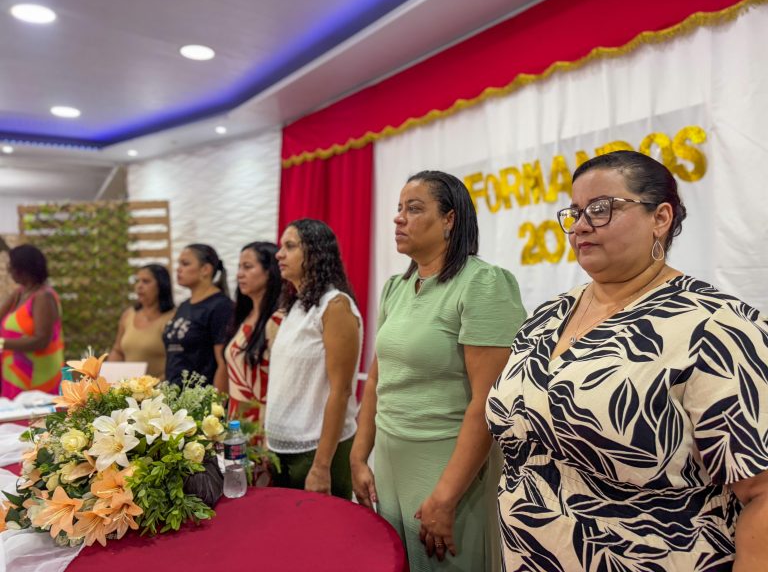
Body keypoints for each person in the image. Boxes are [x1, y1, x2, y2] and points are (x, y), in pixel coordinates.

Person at [486, 150, 768, 570]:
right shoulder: (548, 315)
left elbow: (762, 492)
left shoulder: (717, 325)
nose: (581, 225)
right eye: (575, 212)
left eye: (602, 209)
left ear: (661, 218)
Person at [350, 170, 526, 572]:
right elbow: (377, 378)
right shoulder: (396, 287)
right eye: (399, 208)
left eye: (414, 209)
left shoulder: (482, 284)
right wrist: (359, 456)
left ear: (449, 219)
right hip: (391, 460)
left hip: (446, 466)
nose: (399, 218)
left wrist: (446, 497)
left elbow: (488, 402)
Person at [266, 219, 362, 499]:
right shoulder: (297, 305)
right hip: (281, 450)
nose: (279, 254)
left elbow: (341, 391)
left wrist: (321, 466)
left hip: (317, 451)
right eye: (281, 247)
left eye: (290, 246)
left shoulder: (335, 305)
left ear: (315, 253)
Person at [224, 241, 283, 423]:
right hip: (237, 419)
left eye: (248, 267)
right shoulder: (244, 316)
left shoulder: (279, 320)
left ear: (269, 272)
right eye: (239, 267)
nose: (240, 274)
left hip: (265, 421)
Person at [164, 244, 233, 389]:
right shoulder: (184, 305)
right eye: (179, 264)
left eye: (185, 264)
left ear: (205, 269)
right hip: (175, 394)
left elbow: (224, 362)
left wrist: (218, 400)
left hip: (202, 396)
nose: (178, 269)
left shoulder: (221, 306)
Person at [0, 244, 64, 398]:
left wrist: (2, 343)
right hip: (15, 374)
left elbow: (41, 341)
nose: (9, 271)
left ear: (23, 269)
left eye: (11, 266)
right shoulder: (20, 293)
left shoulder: (44, 297)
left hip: (39, 378)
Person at [108, 264, 175, 378]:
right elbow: (118, 350)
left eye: (146, 281)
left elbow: (178, 360)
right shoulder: (128, 314)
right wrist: (108, 376)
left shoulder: (173, 318)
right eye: (137, 281)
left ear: (161, 285)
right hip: (129, 387)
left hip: (161, 386)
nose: (139, 286)